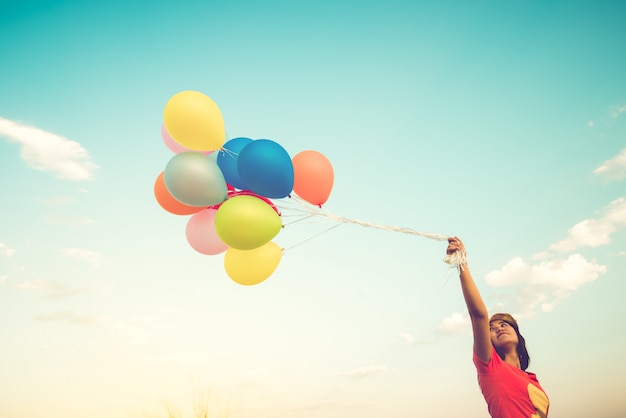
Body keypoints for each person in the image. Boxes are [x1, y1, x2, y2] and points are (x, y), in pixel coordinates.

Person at [446, 237, 550, 418]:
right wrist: (461, 263)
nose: (499, 328)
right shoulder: (489, 365)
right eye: (491, 329)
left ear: (518, 335)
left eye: (504, 324)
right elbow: (478, 315)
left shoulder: (532, 379)